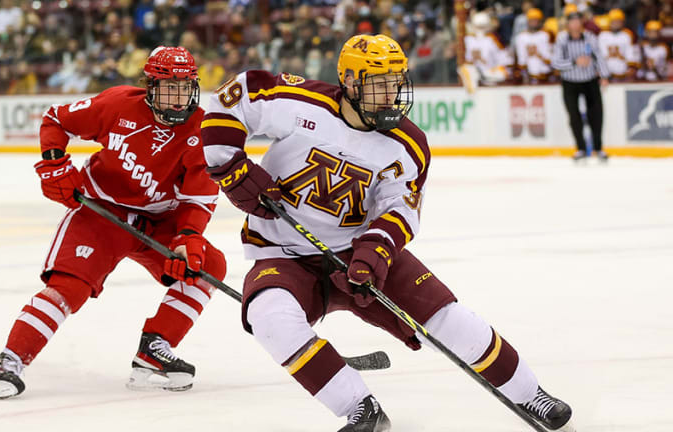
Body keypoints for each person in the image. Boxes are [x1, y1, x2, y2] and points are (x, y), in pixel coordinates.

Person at [201, 34, 574, 432]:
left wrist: (375, 251)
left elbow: (400, 209)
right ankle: (361, 408)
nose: (392, 92)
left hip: (358, 253)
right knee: (268, 316)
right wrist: (230, 166)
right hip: (281, 248)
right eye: (380, 82)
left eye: (396, 81)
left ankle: (530, 393)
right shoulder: (300, 102)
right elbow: (234, 98)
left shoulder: (407, 143)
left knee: (444, 318)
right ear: (349, 80)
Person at [0, 46, 226, 399]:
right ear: (150, 86)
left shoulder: (203, 129)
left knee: (208, 265)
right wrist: (53, 164)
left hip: (159, 222)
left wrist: (188, 236)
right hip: (100, 211)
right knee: (69, 287)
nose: (179, 97)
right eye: (170, 87)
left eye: (185, 87)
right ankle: (9, 361)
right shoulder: (117, 105)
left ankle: (153, 351)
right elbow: (56, 119)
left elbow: (198, 197)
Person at [553, 6, 610, 162]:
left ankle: (598, 148)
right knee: (574, 116)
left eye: (578, 21)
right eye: (573, 21)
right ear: (568, 23)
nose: (576, 24)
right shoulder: (562, 39)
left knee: (596, 114)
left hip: (590, 80)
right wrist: (574, 62)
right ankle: (581, 148)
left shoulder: (590, 37)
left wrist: (604, 76)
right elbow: (556, 64)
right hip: (570, 82)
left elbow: (599, 57)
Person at [597, 9, 640, 82]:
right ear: (609, 22)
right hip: (604, 75)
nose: (616, 24)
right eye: (614, 21)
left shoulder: (627, 35)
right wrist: (597, 69)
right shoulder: (602, 35)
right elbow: (599, 53)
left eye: (618, 21)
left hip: (623, 74)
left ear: (623, 22)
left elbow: (631, 52)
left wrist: (632, 67)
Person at [514, 8, 555, 84]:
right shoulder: (521, 37)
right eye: (532, 20)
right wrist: (524, 75)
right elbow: (521, 60)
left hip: (545, 74)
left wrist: (538, 54)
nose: (534, 23)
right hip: (528, 76)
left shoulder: (547, 34)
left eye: (536, 20)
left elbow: (551, 58)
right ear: (528, 21)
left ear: (540, 21)